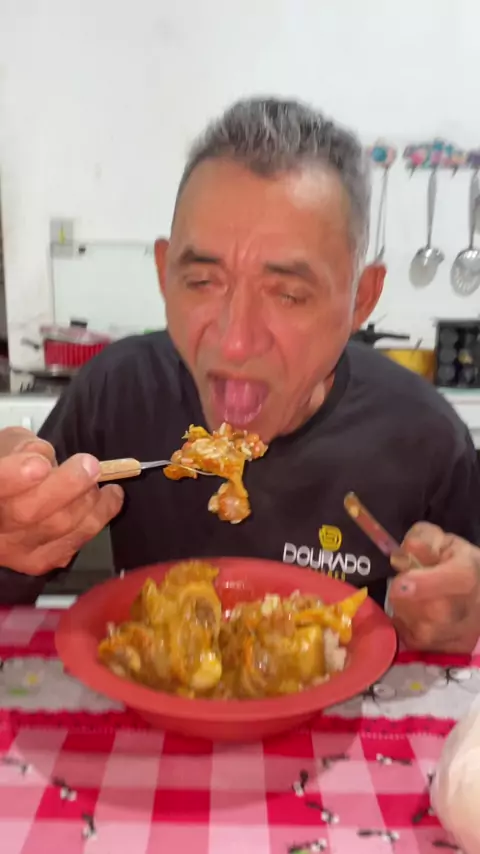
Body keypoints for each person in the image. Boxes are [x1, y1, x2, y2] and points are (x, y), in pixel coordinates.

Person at [0, 97, 479, 653]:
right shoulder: (117, 391)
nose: (234, 341)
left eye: (289, 294)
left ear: (361, 300)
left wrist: (462, 610)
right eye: (202, 281)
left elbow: (462, 605)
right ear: (164, 273)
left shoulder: (424, 437)